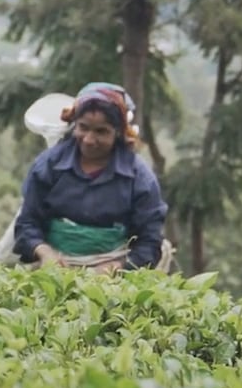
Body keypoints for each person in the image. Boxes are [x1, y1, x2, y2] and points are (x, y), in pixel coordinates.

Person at [9, 81, 173, 274]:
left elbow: (150, 241)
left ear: (118, 133)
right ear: (73, 126)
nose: (88, 139)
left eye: (101, 131)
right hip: (55, 267)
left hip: (116, 272)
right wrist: (44, 252)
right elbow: (27, 223)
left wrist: (117, 268)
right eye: (83, 127)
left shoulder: (139, 178)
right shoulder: (49, 166)